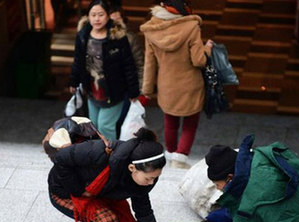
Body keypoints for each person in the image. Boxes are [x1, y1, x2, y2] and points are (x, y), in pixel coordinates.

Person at [48, 127, 172, 222]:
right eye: (149, 178)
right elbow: (61, 158)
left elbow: (144, 213)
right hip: (66, 191)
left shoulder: (142, 181)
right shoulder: (100, 152)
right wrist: (79, 191)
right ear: (132, 168)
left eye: (155, 178)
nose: (152, 182)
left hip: (98, 194)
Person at [140, 0, 213, 169]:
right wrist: (207, 49)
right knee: (190, 123)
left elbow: (149, 63)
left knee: (170, 123)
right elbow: (199, 60)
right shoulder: (191, 27)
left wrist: (147, 89)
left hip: (167, 85)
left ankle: (171, 154)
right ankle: (179, 160)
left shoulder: (151, 29)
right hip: (191, 84)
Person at [69, 0, 139, 140]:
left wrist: (133, 90)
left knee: (105, 125)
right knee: (94, 126)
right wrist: (74, 81)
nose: (97, 18)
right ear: (88, 16)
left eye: (100, 14)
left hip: (114, 91)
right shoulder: (83, 36)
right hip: (92, 90)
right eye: (93, 14)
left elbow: (128, 64)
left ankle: (111, 158)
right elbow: (78, 61)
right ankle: (99, 157)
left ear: (108, 16)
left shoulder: (118, 37)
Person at [109, 5, 146, 138]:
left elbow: (140, 64)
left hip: (126, 86)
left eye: (118, 20)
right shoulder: (99, 38)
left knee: (121, 120)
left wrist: (140, 87)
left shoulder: (130, 38)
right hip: (107, 87)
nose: (115, 24)